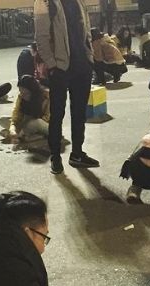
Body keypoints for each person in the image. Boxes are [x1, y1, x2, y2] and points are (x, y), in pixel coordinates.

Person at [34, 0, 100, 174]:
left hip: (82, 65)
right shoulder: (45, 2)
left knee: (79, 113)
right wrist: (52, 65)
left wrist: (89, 56)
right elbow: (41, 37)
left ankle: (77, 153)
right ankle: (55, 156)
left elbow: (86, 30)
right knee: (57, 114)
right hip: (61, 68)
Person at [0, 75, 50, 145]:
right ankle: (29, 136)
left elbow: (49, 118)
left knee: (35, 123)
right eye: (20, 92)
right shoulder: (21, 97)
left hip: (46, 125)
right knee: (2, 120)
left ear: (33, 91)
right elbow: (16, 115)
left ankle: (25, 135)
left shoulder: (47, 96)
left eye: (26, 93)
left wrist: (24, 127)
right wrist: (12, 129)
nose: (22, 95)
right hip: (27, 123)